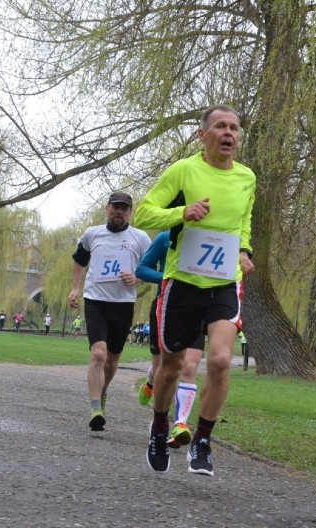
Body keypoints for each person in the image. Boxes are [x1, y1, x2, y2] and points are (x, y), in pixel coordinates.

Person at [134, 104, 255, 476]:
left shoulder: (247, 178)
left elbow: (243, 221)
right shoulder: (184, 170)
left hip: (223, 282)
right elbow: (143, 214)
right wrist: (181, 213)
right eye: (220, 126)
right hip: (182, 282)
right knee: (170, 369)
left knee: (219, 360)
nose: (228, 133)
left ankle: (202, 439)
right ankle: (159, 428)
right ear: (203, 135)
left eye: (234, 127)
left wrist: (245, 251)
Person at [68, 191, 151, 431]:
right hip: (95, 301)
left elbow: (151, 269)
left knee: (113, 358)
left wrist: (136, 277)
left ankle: (102, 392)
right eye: (115, 207)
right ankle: (95, 408)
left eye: (124, 208)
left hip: (124, 304)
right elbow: (79, 259)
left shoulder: (140, 238)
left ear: (130, 212)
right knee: (99, 354)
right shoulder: (92, 234)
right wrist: (75, 288)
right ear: (107, 209)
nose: (119, 212)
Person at [135, 229, 205, 449]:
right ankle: (150, 381)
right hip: (165, 307)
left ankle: (180, 424)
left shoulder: (213, 236)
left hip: (197, 308)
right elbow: (141, 269)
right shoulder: (166, 237)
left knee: (189, 368)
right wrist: (166, 278)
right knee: (162, 368)